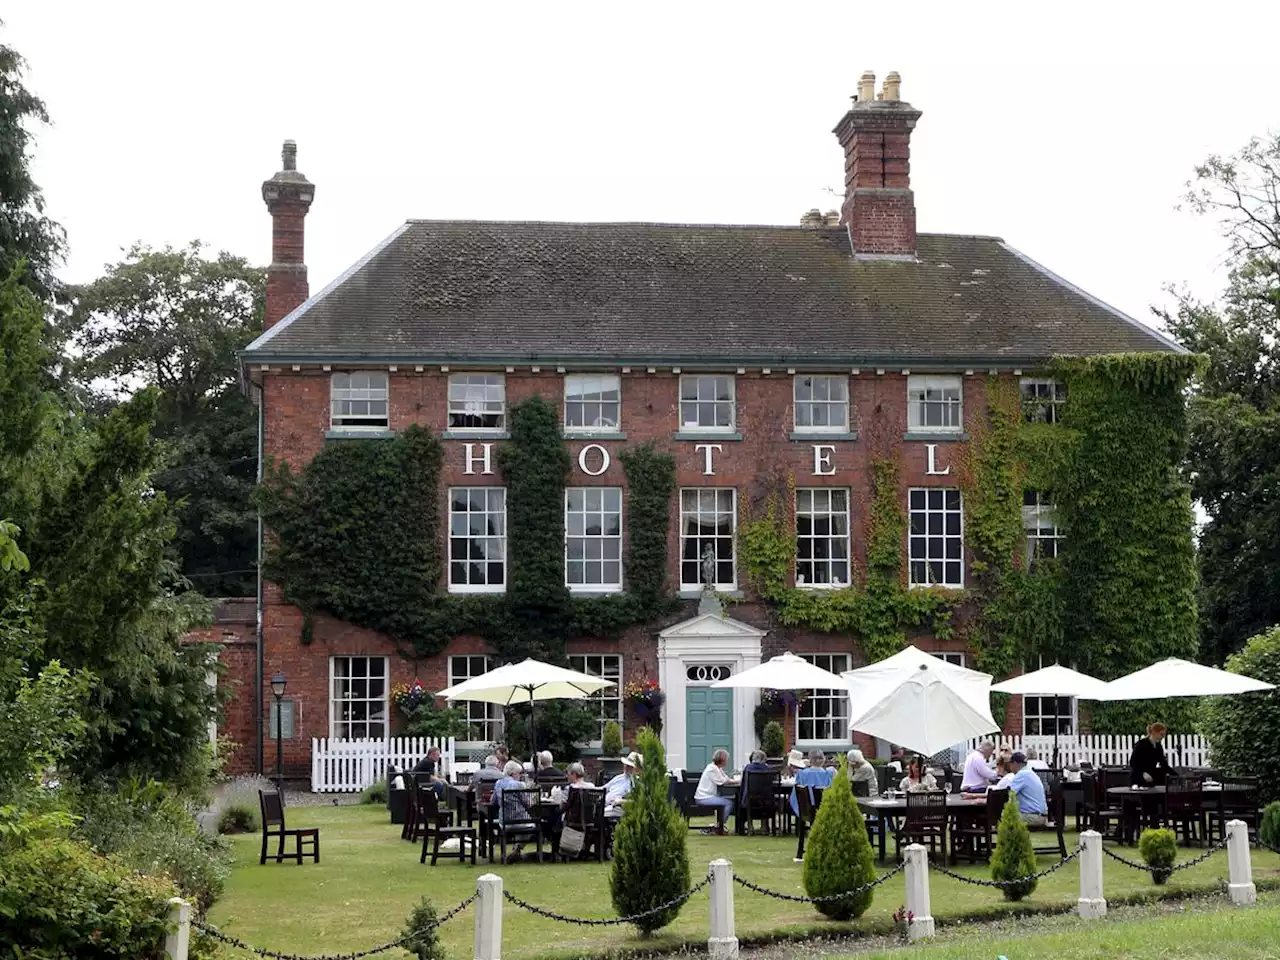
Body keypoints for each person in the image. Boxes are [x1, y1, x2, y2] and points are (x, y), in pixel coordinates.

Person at [493, 759, 533, 862]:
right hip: (521, 820)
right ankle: (518, 847)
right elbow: (528, 803)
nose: (520, 776)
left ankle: (515, 850)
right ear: (513, 773)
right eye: (519, 773)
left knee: (525, 823)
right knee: (533, 825)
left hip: (504, 822)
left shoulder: (498, 783)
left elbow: (493, 801)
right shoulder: (520, 785)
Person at [694, 748, 738, 835]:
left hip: (707, 796)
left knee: (727, 801)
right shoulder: (713, 769)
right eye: (726, 759)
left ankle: (719, 826)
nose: (727, 761)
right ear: (722, 759)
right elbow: (722, 781)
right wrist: (737, 781)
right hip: (703, 798)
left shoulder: (717, 768)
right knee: (728, 803)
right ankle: (719, 826)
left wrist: (733, 780)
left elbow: (726, 778)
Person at [1003, 751, 1048, 826]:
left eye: (1010, 764)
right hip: (1039, 815)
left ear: (1015, 763)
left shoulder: (1022, 774)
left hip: (1032, 817)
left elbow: (1007, 794)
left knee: (1005, 817)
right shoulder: (1029, 772)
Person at [790, 749, 834, 814]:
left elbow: (795, 794)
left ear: (810, 760)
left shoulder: (802, 774)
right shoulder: (828, 774)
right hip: (824, 809)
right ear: (823, 760)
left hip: (806, 809)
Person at [1129, 722, 1170, 787]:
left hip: (1150, 779)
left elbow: (1163, 763)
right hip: (1137, 779)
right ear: (1154, 733)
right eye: (1161, 734)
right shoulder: (1141, 744)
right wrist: (1143, 773)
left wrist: (1173, 774)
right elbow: (1132, 762)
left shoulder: (1158, 747)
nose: (1163, 737)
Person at [604, 751, 641, 818]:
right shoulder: (619, 777)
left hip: (618, 810)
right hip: (605, 806)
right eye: (625, 764)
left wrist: (620, 801)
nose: (626, 767)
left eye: (629, 766)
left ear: (637, 769)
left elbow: (637, 802)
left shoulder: (637, 783)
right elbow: (604, 788)